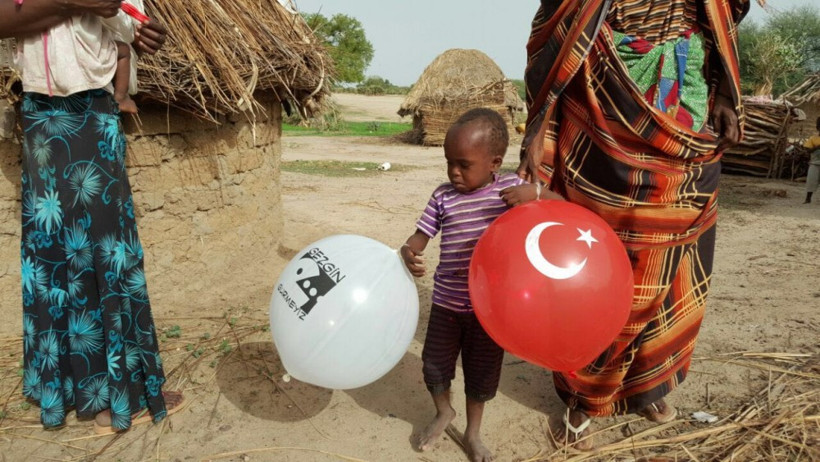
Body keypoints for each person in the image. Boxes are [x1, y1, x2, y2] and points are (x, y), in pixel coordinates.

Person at [518, 0, 748, 450]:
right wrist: (537, 128)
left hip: (686, 107)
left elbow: (725, 11)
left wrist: (723, 96)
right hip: (604, 105)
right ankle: (585, 396)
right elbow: (558, 31)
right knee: (599, 266)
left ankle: (643, 384)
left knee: (667, 263)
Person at [0, 0, 183, 434]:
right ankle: (80, 395)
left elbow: (129, 32)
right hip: (42, 115)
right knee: (55, 254)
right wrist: (70, 2)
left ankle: (101, 396)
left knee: (99, 251)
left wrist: (145, 35)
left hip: (91, 114)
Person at [401, 108, 541, 462]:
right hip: (447, 304)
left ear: (495, 162)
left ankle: (473, 432)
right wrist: (408, 251)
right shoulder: (442, 196)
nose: (453, 172)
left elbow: (560, 209)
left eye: (464, 164)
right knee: (433, 365)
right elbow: (420, 236)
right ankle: (443, 411)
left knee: (481, 375)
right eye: (449, 162)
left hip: (489, 311)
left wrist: (536, 194)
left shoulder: (511, 190)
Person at [802, 117, 820, 204]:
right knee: (811, 180)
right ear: (818, 128)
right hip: (815, 163)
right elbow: (807, 150)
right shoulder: (813, 138)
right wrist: (817, 147)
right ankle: (808, 198)